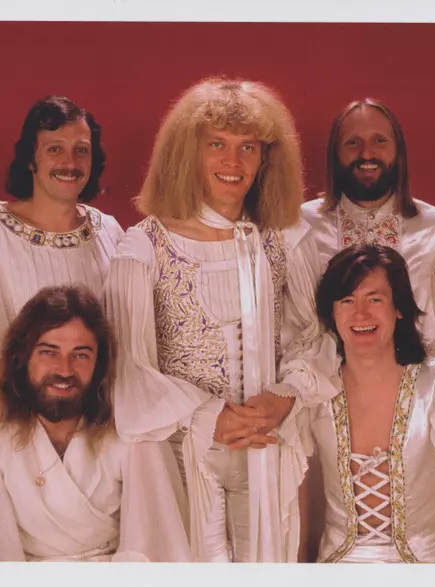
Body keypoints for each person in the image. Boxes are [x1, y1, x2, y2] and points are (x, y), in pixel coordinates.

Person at [103, 78, 327, 562]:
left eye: (248, 147)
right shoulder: (144, 247)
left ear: (265, 158)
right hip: (180, 453)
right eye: (217, 144)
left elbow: (318, 335)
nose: (233, 161)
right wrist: (209, 417)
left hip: (269, 446)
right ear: (189, 152)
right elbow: (128, 368)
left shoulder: (285, 239)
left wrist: (287, 395)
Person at [0, 285, 190, 562]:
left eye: (80, 355)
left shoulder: (133, 429)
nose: (64, 369)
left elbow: (154, 546)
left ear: (99, 364)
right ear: (22, 358)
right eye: (49, 352)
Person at [296, 98, 435, 416]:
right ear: (335, 153)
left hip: (416, 417)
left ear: (398, 151)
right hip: (321, 416)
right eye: (352, 142)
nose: (367, 153)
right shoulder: (300, 228)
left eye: (379, 141)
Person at [309, 244, 435, 563]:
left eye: (374, 299)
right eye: (347, 300)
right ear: (332, 313)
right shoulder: (315, 390)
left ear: (399, 308)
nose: (360, 313)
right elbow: (294, 504)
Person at [0, 95, 124, 388]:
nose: (70, 163)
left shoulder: (110, 231)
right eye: (55, 149)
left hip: (107, 410)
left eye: (81, 150)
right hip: (27, 410)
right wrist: (41, 402)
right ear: (30, 159)